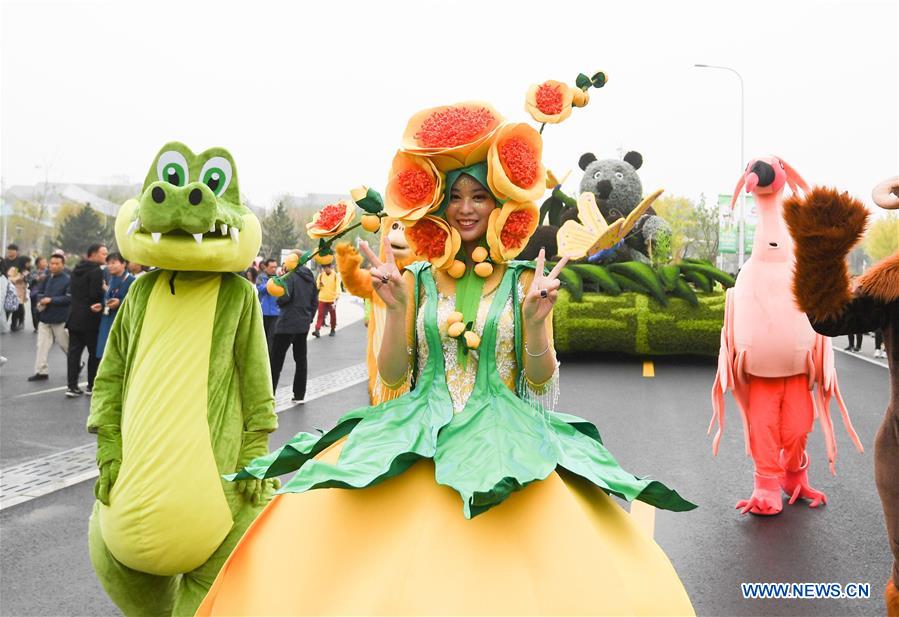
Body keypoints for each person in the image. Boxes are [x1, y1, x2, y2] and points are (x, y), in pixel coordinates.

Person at [197, 104, 695, 616]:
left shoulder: (527, 279)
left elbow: (539, 379)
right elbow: (394, 375)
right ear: (437, 204)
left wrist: (539, 319)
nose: (466, 208)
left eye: (479, 195)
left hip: (508, 440)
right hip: (416, 436)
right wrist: (391, 311)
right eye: (455, 196)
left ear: (500, 202)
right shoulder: (416, 279)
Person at [269, 255, 318, 404]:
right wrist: (309, 318)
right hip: (302, 325)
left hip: (286, 324)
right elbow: (315, 301)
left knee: (276, 361)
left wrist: (279, 293)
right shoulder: (310, 278)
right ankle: (299, 394)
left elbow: (283, 298)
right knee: (301, 360)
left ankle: (270, 394)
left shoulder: (290, 277)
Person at [65, 243, 107, 397]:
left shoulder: (76, 269)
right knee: (93, 353)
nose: (106, 257)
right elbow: (94, 294)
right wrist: (104, 289)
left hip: (74, 317)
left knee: (74, 354)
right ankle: (91, 385)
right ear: (93, 255)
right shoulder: (96, 271)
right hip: (90, 318)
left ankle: (72, 386)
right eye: (103, 254)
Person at [28, 254, 70, 381]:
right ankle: (41, 371)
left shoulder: (68, 279)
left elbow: (68, 298)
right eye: (52, 263)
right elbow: (39, 292)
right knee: (41, 345)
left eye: (57, 263)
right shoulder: (46, 278)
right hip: (45, 317)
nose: (54, 266)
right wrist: (41, 300)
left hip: (60, 318)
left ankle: (76, 365)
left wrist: (51, 300)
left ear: (63, 264)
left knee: (66, 345)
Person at [95, 253, 135, 359]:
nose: (110, 266)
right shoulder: (111, 280)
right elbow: (108, 298)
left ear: (123, 264)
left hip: (121, 322)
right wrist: (102, 306)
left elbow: (135, 302)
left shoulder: (132, 281)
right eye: (108, 263)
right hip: (107, 319)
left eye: (113, 263)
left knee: (118, 354)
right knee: (104, 354)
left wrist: (120, 302)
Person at [256, 258, 280, 348]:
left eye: (275, 267)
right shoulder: (261, 278)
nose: (274, 269)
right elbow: (260, 289)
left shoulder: (279, 278)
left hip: (275, 313)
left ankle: (270, 359)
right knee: (262, 337)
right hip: (263, 313)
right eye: (271, 267)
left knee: (272, 338)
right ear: (266, 267)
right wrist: (271, 285)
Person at [312, 261, 338, 337]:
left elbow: (338, 287)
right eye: (324, 268)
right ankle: (317, 330)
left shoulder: (335, 275)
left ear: (330, 267)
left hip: (332, 299)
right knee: (320, 315)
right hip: (322, 298)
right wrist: (319, 285)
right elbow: (317, 286)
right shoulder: (321, 275)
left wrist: (337, 297)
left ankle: (333, 329)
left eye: (326, 268)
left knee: (333, 315)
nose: (325, 270)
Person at [28, 257, 48, 332]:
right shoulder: (33, 271)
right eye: (43, 262)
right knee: (35, 310)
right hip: (34, 294)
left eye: (45, 262)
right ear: (38, 264)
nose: (45, 263)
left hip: (45, 293)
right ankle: (36, 326)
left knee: (44, 309)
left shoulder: (48, 271)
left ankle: (43, 325)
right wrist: (36, 279)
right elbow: (29, 280)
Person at [6, 266, 27, 331]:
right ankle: (7, 323)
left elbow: (21, 280)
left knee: (17, 308)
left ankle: (15, 324)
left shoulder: (23, 270)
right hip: (11, 292)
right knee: (8, 308)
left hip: (19, 292)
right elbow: (10, 278)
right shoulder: (13, 268)